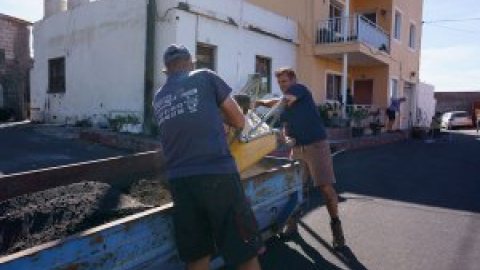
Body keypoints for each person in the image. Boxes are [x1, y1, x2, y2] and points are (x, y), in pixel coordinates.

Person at [153, 44, 263, 270]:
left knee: (197, 254)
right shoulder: (205, 76)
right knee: (242, 249)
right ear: (191, 63)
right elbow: (239, 121)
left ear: (167, 71)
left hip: (180, 182)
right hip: (217, 175)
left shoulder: (159, 97)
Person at [255, 67, 346, 249]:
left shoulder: (299, 90)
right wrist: (285, 138)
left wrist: (261, 103)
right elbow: (284, 127)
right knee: (294, 188)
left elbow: (282, 101)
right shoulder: (285, 106)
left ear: (293, 80)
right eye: (280, 82)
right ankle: (292, 226)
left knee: (325, 187)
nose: (282, 86)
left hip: (316, 145)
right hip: (297, 149)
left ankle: (337, 228)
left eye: (285, 81)